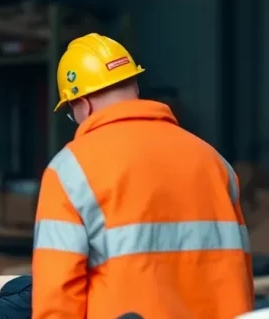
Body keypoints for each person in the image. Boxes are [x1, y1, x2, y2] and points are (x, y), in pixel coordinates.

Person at [32, 33, 254, 318]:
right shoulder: (214, 161)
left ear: (83, 104)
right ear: (135, 87)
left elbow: (57, 297)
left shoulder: (70, 170)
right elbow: (242, 271)